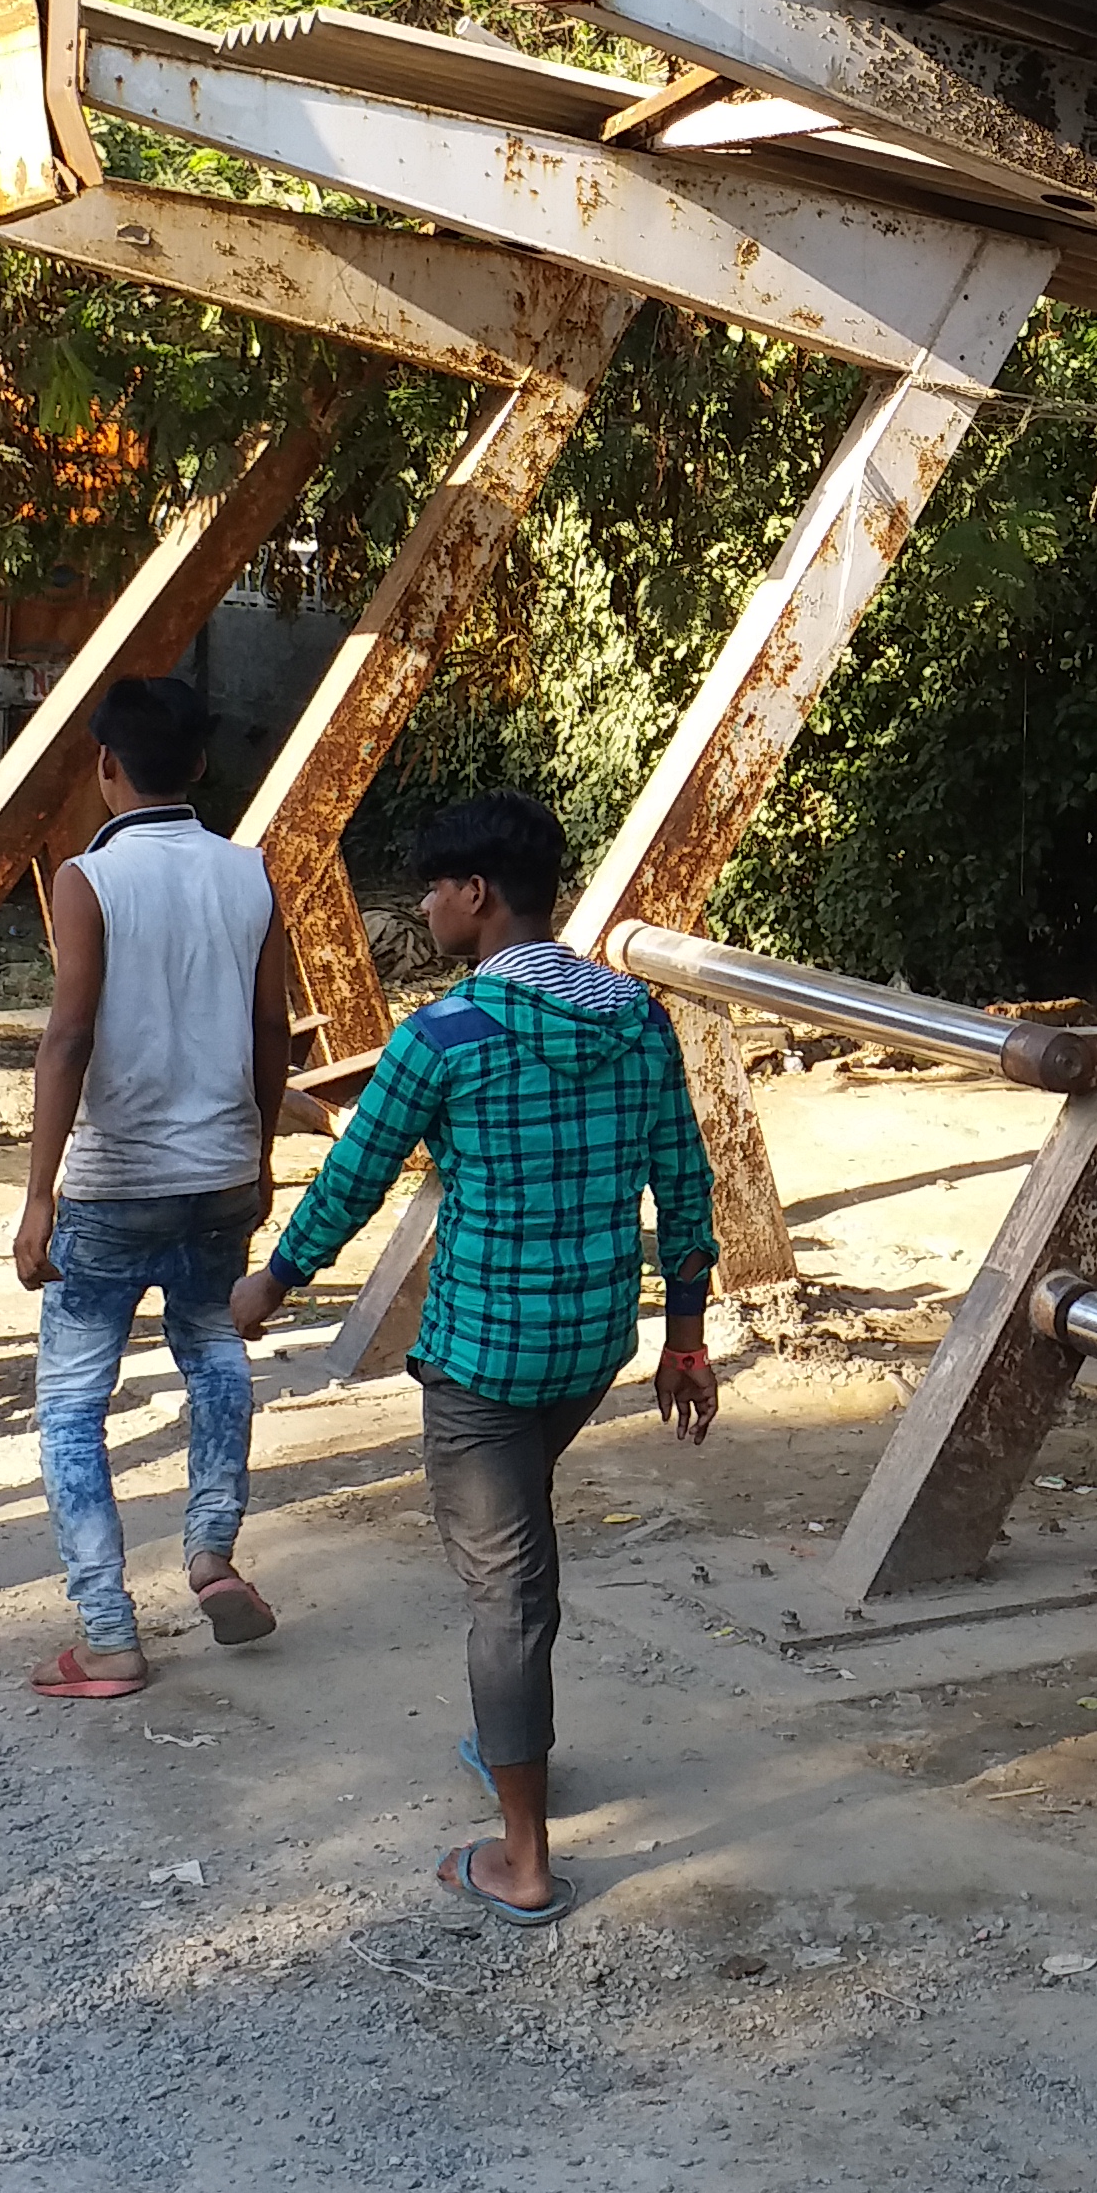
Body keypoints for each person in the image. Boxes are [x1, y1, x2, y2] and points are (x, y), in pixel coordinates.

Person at [232, 791, 717, 1922]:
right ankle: (511, 1735)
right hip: (594, 1341)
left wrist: (274, 1280)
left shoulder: (441, 1039)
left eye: (435, 890)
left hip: (484, 1362)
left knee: (507, 1596)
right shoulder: (638, 1018)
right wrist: (686, 1333)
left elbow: (354, 1179)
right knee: (522, 1561)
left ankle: (524, 1857)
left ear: (478, 895)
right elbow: (685, 1185)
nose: (427, 908)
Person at [19, 673, 297, 1697]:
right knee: (215, 1352)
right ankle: (212, 1552)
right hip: (220, 1170)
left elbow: (69, 1034)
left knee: (71, 1403)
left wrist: (39, 1192)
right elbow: (271, 1031)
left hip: (111, 1180)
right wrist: (259, 1153)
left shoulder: (89, 880)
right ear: (200, 766)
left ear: (104, 768)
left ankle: (108, 1633)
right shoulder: (252, 874)